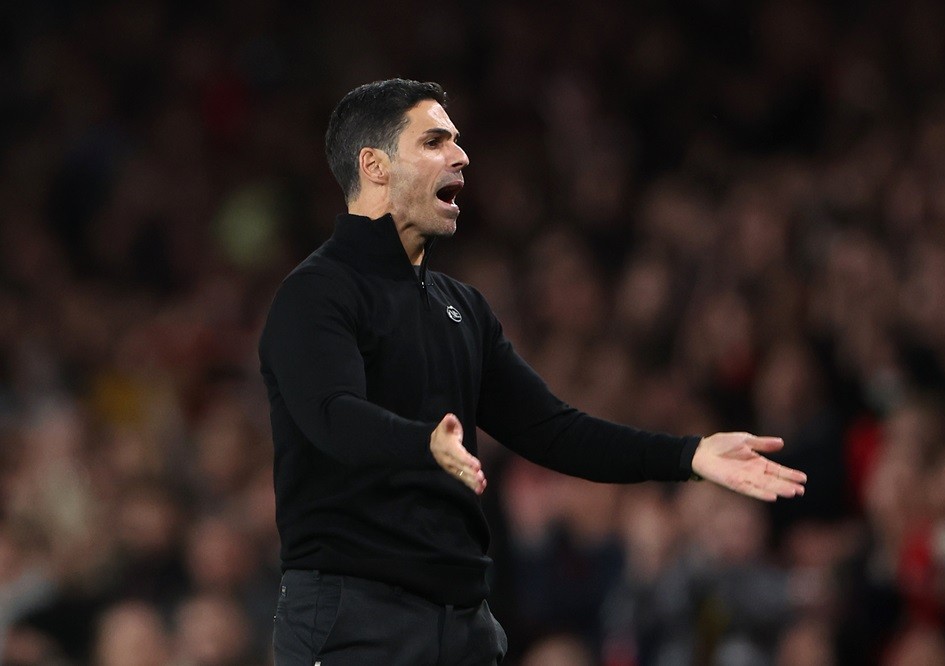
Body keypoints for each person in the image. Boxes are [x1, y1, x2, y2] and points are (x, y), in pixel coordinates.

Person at [258, 78, 807, 666]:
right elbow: (331, 416)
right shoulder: (316, 295)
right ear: (375, 165)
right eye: (435, 141)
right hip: (355, 624)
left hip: (463, 624)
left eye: (458, 141)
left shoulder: (461, 307)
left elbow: (553, 430)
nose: (461, 156)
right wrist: (422, 444)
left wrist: (688, 456)